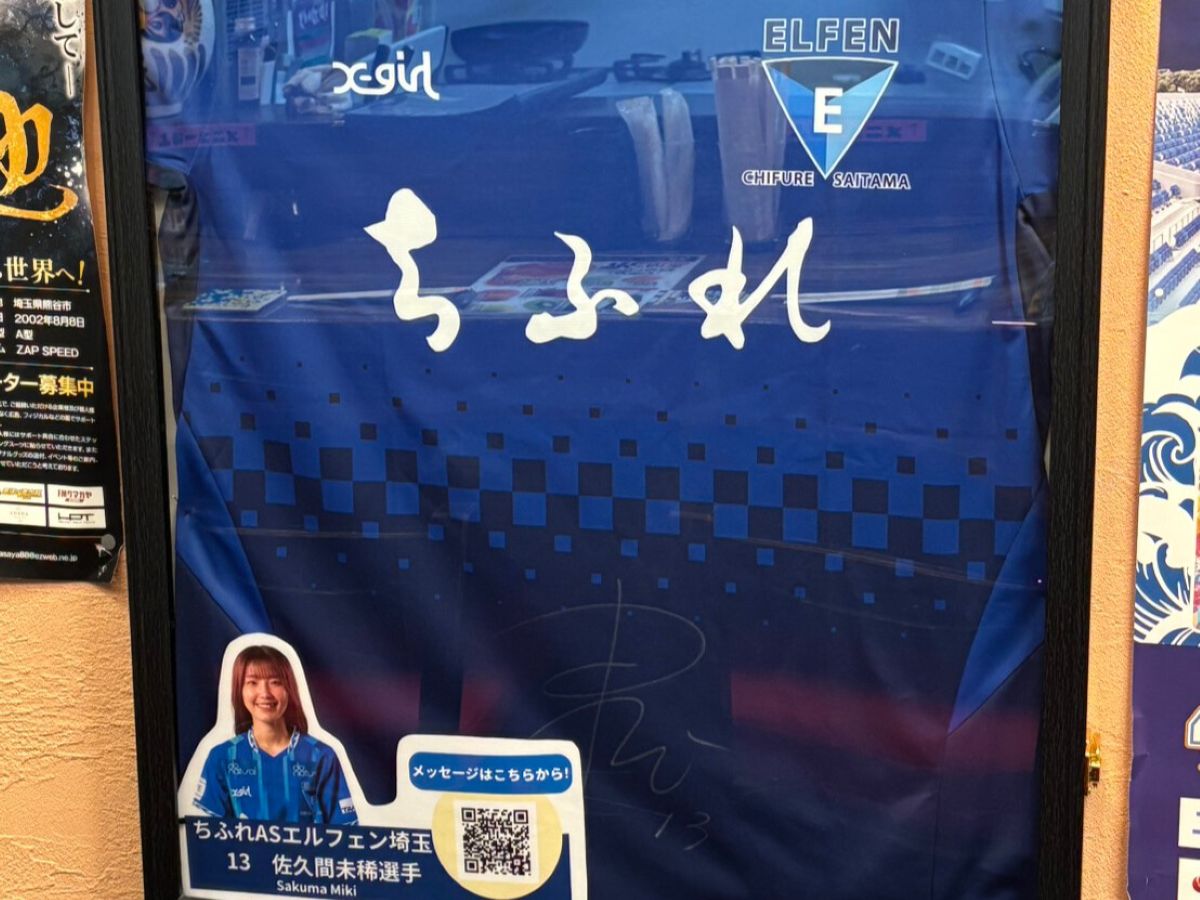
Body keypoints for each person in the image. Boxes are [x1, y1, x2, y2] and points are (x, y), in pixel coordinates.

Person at [194, 645, 357, 824]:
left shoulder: (321, 756)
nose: (265, 693)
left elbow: (344, 831)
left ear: (290, 689)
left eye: (275, 682)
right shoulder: (222, 757)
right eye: (252, 682)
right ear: (239, 690)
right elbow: (211, 834)